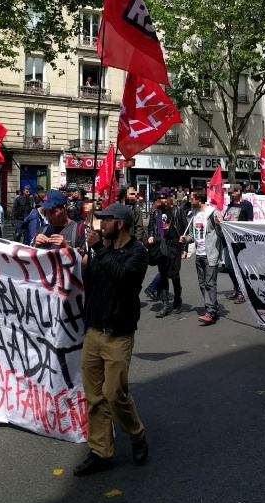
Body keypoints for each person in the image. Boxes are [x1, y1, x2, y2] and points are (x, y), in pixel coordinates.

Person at [74, 203, 149, 476]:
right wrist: (86, 262)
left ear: (120, 224)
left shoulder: (137, 253)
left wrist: (99, 251)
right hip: (93, 330)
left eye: (105, 220)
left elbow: (122, 277)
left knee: (115, 394)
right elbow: (92, 283)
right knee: (94, 397)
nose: (100, 224)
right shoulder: (99, 250)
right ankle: (101, 451)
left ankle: (137, 434)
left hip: (118, 333)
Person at [182, 189, 224, 326]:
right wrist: (185, 239)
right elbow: (195, 235)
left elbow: (222, 234)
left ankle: (210, 312)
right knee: (202, 284)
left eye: (192, 198)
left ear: (199, 199)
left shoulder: (213, 213)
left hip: (210, 254)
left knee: (209, 283)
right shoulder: (194, 214)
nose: (190, 200)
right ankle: (213, 308)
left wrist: (221, 224)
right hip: (199, 254)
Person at [148, 189, 188, 318]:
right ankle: (165, 305)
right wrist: (150, 236)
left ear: (171, 198)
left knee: (174, 274)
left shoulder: (177, 210)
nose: (164, 200)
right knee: (163, 274)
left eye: (166, 197)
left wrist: (184, 248)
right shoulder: (156, 212)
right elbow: (150, 227)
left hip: (174, 245)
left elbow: (184, 229)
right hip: (161, 246)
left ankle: (177, 299)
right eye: (161, 198)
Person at [223, 184, 255, 303]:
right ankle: (237, 288)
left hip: (240, 241)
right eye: (229, 193)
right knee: (228, 266)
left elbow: (250, 223)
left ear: (238, 191)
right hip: (228, 239)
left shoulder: (247, 205)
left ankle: (242, 291)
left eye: (232, 193)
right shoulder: (230, 205)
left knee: (239, 267)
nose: (230, 195)